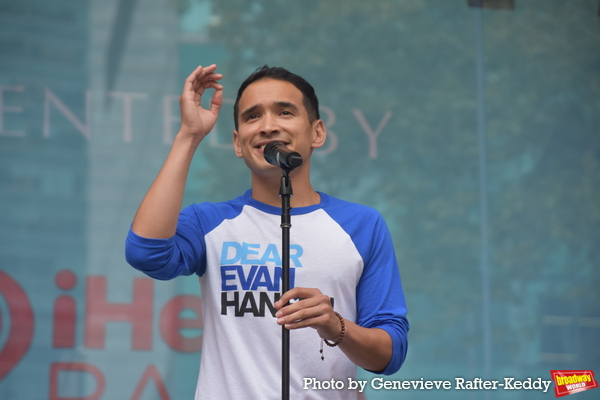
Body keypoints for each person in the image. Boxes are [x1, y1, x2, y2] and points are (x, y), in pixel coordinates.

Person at [125, 64, 409, 399]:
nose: (268, 126)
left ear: (317, 132)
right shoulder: (210, 221)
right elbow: (146, 253)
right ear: (238, 143)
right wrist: (189, 135)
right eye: (252, 117)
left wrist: (336, 326)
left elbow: (391, 354)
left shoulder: (363, 225)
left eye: (285, 112)